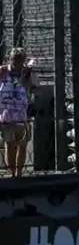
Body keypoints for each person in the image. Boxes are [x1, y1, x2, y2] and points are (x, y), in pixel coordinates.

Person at [0, 48, 35, 177]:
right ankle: (12, 173)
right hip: (7, 115)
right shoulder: (3, 72)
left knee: (22, 145)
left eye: (20, 59)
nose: (17, 63)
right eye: (15, 59)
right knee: (9, 145)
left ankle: (19, 172)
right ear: (10, 59)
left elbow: (35, 88)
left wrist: (29, 76)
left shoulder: (27, 74)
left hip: (22, 114)